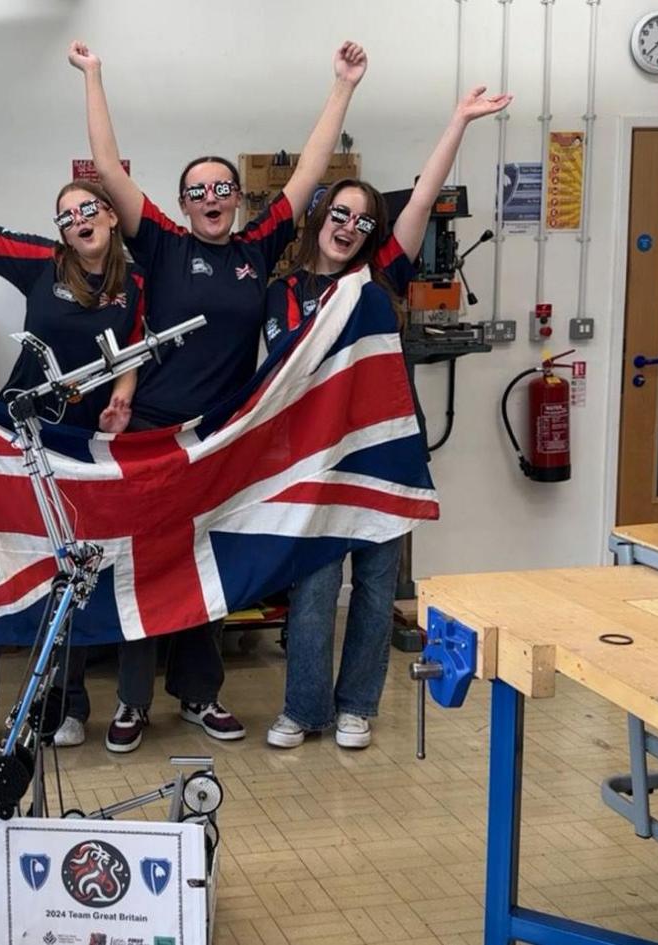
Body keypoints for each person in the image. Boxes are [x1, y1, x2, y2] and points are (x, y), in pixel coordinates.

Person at [69, 39, 369, 752]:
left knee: (205, 565)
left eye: (223, 188)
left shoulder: (257, 247)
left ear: (238, 199)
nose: (211, 198)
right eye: (198, 190)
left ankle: (200, 695)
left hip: (222, 439)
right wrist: (94, 75)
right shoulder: (165, 245)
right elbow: (108, 169)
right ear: (181, 203)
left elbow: (311, 172)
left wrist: (342, 87)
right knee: (142, 569)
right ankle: (134, 703)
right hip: (149, 437)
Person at [259, 85, 512, 750]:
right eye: (340, 214)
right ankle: (303, 707)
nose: (350, 227)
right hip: (313, 459)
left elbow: (424, 196)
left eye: (364, 221)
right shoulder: (282, 291)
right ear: (318, 217)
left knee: (375, 585)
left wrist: (457, 117)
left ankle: (356, 706)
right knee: (312, 589)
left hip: (383, 454)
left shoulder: (380, 278)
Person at [0, 101, 147, 751]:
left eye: (89, 209)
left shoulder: (139, 280)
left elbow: (134, 348)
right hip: (18, 436)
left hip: (83, 445)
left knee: (68, 572)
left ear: (110, 215)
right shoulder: (42, 262)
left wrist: (123, 397)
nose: (79, 220)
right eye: (67, 214)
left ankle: (64, 704)